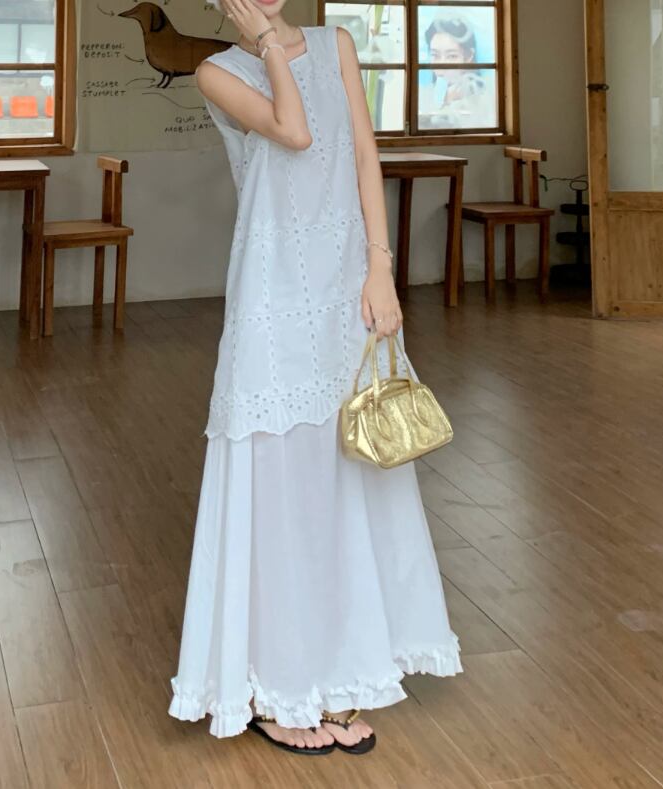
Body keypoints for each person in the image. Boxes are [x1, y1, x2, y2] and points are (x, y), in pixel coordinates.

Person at [167, 0, 463, 756]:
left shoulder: (338, 45)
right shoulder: (215, 71)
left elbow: (362, 154)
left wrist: (380, 267)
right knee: (282, 486)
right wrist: (268, 42)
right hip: (272, 291)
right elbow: (294, 131)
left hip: (345, 285)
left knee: (347, 475)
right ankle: (276, 685)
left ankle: (340, 670)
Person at [420, 14, 495, 129]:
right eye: (435, 55)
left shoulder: (485, 98)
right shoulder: (423, 95)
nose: (442, 65)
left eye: (452, 56)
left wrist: (449, 103)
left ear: (469, 56)